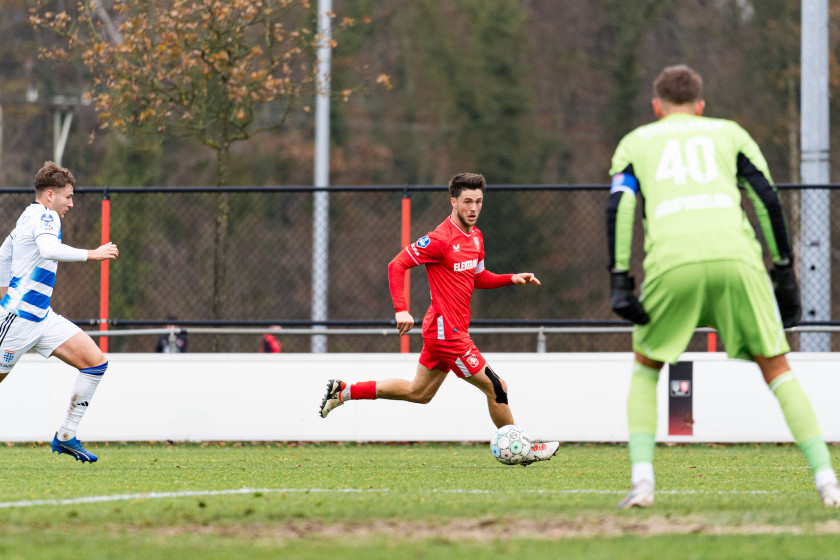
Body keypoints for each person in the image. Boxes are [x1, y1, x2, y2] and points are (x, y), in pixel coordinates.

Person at [606, 64, 840, 507]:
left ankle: (642, 484)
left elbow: (619, 206)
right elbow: (766, 198)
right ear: (700, 106)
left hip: (672, 262)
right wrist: (784, 271)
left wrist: (619, 277)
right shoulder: (729, 132)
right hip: (738, 258)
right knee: (776, 367)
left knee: (646, 365)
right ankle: (829, 483)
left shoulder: (636, 142)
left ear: (657, 107)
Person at [319, 173, 560, 465]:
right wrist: (401, 308)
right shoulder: (439, 239)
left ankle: (344, 391)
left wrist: (512, 278)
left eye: (479, 201)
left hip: (443, 330)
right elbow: (397, 264)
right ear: (453, 202)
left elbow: (477, 277)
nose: (474, 207)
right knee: (497, 387)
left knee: (418, 393)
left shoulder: (476, 237)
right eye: (467, 201)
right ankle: (522, 450)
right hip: (448, 333)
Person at [0, 161, 118, 463]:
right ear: (50, 195)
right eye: (68, 196)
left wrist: (4, 294)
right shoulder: (46, 217)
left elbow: (4, 254)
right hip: (18, 321)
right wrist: (94, 253)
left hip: (42, 318)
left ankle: (66, 436)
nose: (72, 203)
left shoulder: (28, 216)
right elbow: (50, 250)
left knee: (95, 363)